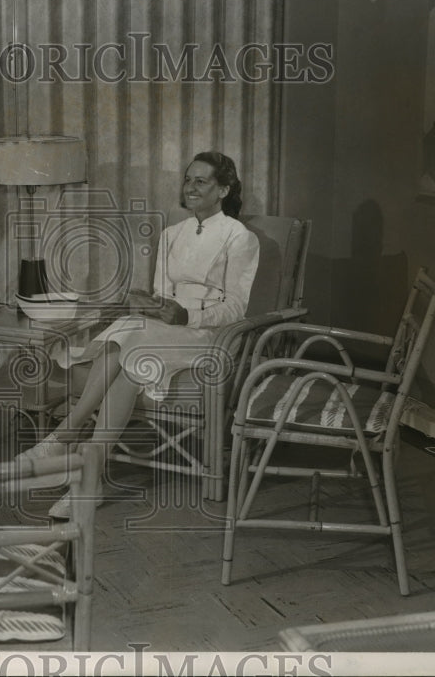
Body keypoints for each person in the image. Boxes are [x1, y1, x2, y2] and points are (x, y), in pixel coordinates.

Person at [19, 151, 260, 517]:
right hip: (164, 330)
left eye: (201, 181)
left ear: (223, 189)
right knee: (132, 342)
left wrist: (188, 316)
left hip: (210, 334)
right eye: (188, 179)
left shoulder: (239, 238)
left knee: (132, 342)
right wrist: (151, 304)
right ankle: (90, 477)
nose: (190, 187)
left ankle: (65, 441)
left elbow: (237, 308)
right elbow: (163, 296)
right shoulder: (171, 234)